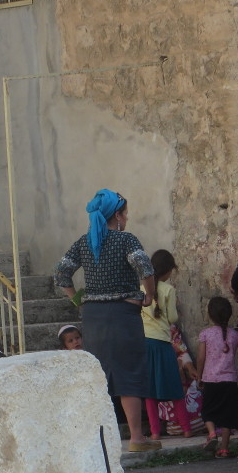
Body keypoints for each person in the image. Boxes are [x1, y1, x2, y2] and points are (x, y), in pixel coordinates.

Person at [54, 189, 158, 451]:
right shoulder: (126, 240)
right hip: (123, 315)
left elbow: (62, 274)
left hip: (93, 317)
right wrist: (149, 296)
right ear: (118, 215)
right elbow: (145, 268)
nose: (128, 216)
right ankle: (136, 438)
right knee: (128, 373)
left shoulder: (83, 243)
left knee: (101, 375)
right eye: (125, 212)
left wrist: (77, 299)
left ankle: (99, 441)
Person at [141, 250, 193, 440]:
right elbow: (172, 317)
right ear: (168, 270)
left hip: (144, 343)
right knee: (175, 387)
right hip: (163, 343)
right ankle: (186, 429)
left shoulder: (140, 288)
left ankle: (155, 432)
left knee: (149, 391)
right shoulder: (168, 290)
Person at [196, 297, 238, 457]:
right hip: (229, 382)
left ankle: (212, 433)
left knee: (207, 411)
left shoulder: (205, 334)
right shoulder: (236, 335)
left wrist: (199, 377)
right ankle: (224, 448)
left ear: (210, 315)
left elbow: (200, 358)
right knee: (229, 415)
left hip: (210, 380)